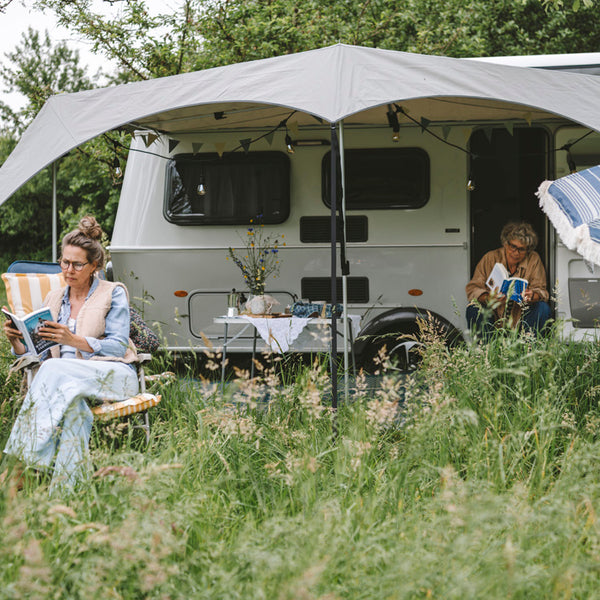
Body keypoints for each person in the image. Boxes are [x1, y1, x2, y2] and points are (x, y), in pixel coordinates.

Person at [2, 216, 138, 493]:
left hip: (113, 375)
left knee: (54, 369)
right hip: (65, 384)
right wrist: (16, 341)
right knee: (76, 411)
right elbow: (37, 354)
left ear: (95, 266)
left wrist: (73, 340)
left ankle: (18, 467)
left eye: (77, 264)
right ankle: (64, 495)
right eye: (64, 262)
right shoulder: (53, 299)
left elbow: (118, 345)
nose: (69, 269)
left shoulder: (113, 293)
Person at [466, 222, 552, 337]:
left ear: (528, 250)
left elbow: (542, 291)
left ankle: (529, 347)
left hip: (521, 317)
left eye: (522, 249)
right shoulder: (490, 258)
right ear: (505, 243)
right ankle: (486, 349)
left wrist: (531, 296)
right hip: (494, 314)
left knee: (542, 308)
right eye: (513, 247)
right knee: (473, 308)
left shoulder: (534, 259)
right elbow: (473, 289)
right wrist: (489, 297)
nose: (516, 253)